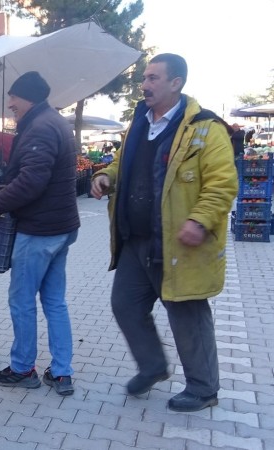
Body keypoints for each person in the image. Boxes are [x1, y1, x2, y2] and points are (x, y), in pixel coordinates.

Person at [90, 53, 238, 412]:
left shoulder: (205, 128)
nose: (144, 85)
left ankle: (203, 389)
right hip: (136, 240)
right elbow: (121, 162)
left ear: (176, 83)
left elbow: (222, 183)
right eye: (144, 78)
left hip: (178, 243)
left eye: (153, 78)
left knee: (187, 316)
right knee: (125, 304)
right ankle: (153, 366)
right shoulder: (139, 123)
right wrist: (106, 176)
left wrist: (199, 221)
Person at [0, 71, 80, 396]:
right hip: (61, 227)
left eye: (14, 97)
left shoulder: (40, 127)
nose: (10, 104)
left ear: (28, 97)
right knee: (55, 302)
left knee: (21, 301)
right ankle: (61, 373)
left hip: (39, 231)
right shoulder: (55, 121)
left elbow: (32, 181)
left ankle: (22, 369)